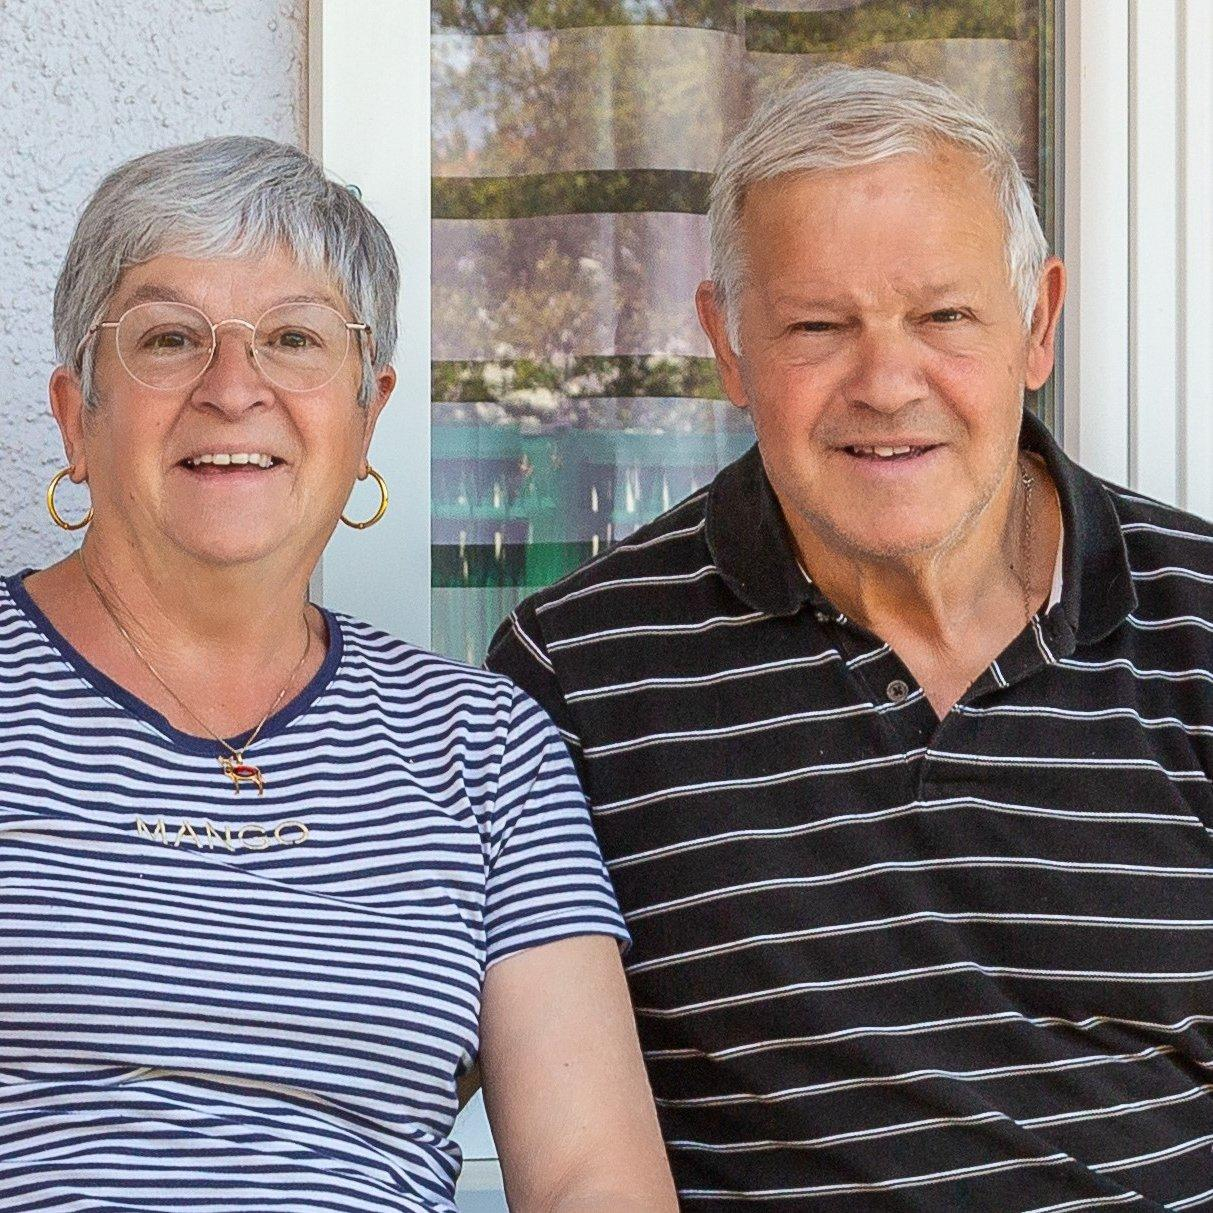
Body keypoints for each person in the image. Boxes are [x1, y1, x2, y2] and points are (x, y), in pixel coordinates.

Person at [487, 66, 1213, 1211]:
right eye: (818, 326)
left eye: (943, 317)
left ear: (1037, 323)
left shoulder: (1198, 623)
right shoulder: (580, 672)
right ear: (729, 346)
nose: (885, 383)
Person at [1, 136, 677, 1213]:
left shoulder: (483, 747)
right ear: (78, 414)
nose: (234, 388)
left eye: (294, 339)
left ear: (368, 416)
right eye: (170, 338)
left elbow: (591, 1175)